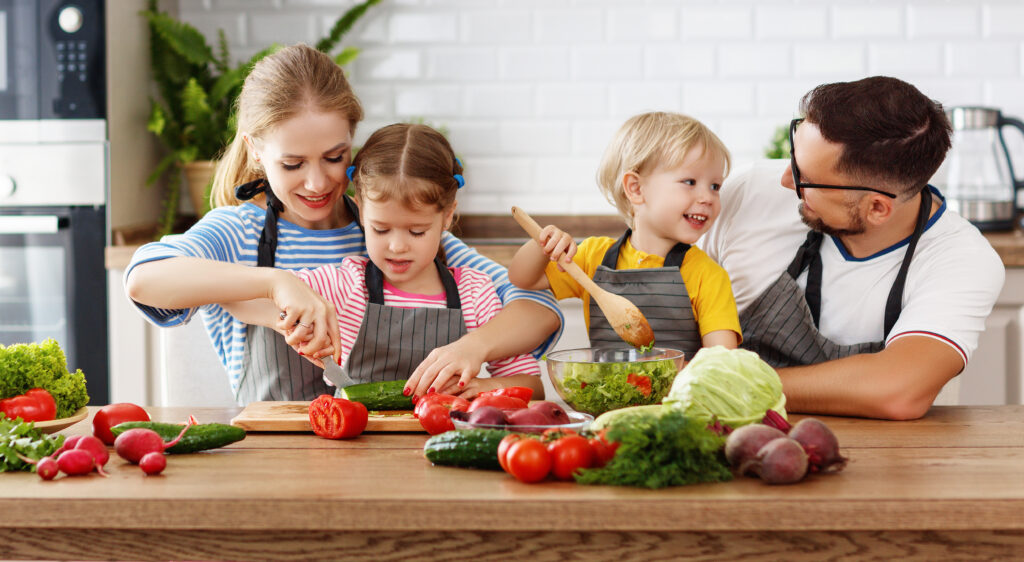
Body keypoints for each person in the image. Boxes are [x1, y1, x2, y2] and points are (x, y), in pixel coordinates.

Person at [124, 44, 562, 405]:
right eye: (293, 163)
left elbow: (537, 311)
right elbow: (144, 280)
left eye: (335, 157)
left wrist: (476, 347)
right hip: (272, 457)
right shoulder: (239, 234)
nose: (317, 182)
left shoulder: (395, 233)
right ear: (256, 150)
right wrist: (275, 283)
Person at [698, 76, 1005, 420]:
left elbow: (898, 390)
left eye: (804, 177)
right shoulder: (748, 191)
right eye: (794, 155)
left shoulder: (962, 259)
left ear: (876, 208)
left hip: (881, 463)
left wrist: (723, 384)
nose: (785, 180)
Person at [223, 123, 545, 398]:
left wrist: (486, 387)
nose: (397, 246)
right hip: (351, 462)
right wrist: (283, 296)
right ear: (361, 211)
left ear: (447, 216)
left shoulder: (476, 294)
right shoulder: (345, 283)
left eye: (417, 231)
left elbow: (532, 385)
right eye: (380, 228)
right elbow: (237, 296)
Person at [509, 112, 741, 358]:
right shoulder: (592, 256)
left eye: (715, 186)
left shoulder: (709, 275)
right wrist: (544, 244)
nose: (707, 197)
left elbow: (722, 360)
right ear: (636, 188)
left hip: (680, 397)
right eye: (690, 181)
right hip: (606, 397)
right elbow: (522, 278)